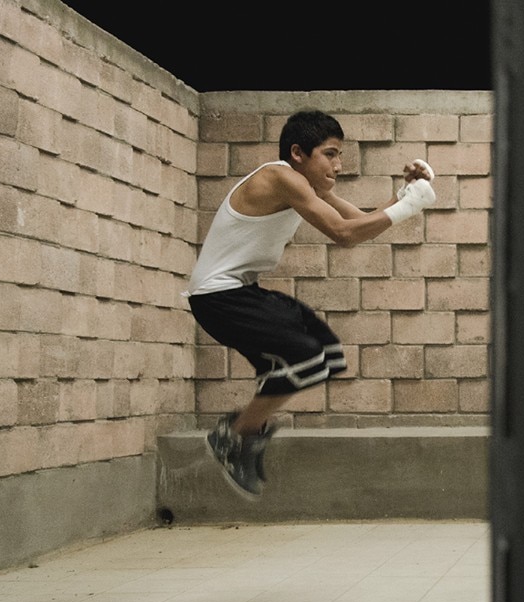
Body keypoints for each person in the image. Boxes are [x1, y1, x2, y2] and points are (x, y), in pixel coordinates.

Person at [183, 109, 436, 499]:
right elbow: (344, 234)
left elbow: (360, 220)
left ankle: (243, 430)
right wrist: (409, 206)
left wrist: (404, 194)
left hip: (243, 292)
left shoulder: (306, 184)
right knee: (303, 356)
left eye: (339, 155)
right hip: (218, 296)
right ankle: (235, 435)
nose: (339, 165)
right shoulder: (281, 177)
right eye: (330, 154)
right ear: (299, 152)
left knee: (327, 355)